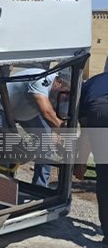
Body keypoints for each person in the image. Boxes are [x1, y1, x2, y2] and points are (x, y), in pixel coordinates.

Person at [0, 68, 70, 187]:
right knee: (6, 148)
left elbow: (59, 117)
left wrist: (56, 132)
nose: (66, 97)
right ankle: (4, 184)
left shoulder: (63, 90)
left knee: (46, 144)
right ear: (58, 82)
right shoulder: (41, 80)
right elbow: (47, 113)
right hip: (2, 104)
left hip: (28, 111)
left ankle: (40, 187)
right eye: (66, 91)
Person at [74, 71, 108, 246]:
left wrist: (81, 163)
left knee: (105, 178)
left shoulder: (87, 86)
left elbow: (86, 133)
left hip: (100, 110)